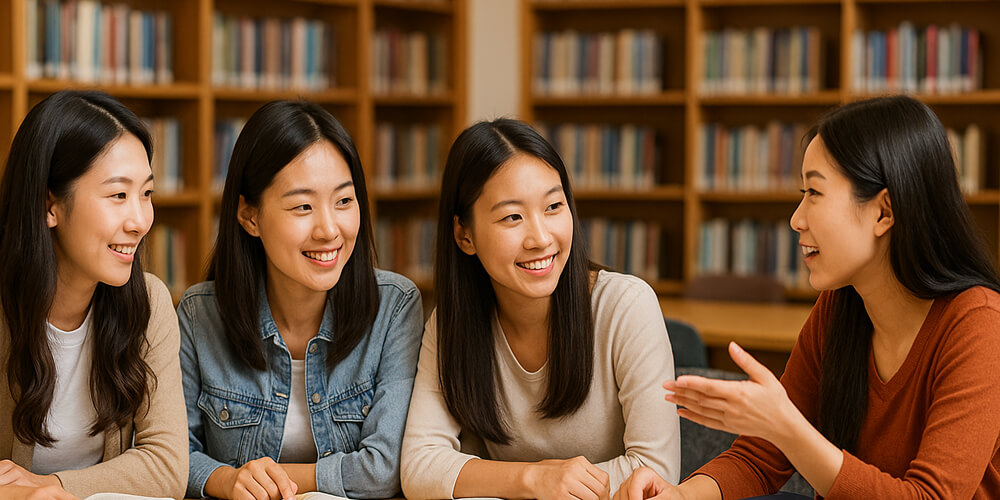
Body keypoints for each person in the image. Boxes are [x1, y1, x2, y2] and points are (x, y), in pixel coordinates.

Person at [615, 95, 1000, 500]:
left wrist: (787, 428)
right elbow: (759, 458)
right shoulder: (840, 306)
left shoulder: (979, 324)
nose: (796, 219)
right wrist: (680, 496)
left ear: (883, 212)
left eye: (814, 192)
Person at [401, 118, 680, 500]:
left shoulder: (626, 307)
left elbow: (656, 471)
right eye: (512, 217)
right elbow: (420, 465)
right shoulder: (452, 324)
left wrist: (530, 483)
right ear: (465, 235)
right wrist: (534, 479)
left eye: (553, 206)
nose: (541, 238)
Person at [179, 100, 423, 500]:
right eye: (303, 206)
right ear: (250, 216)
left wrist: (266, 480)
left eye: (344, 201)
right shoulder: (198, 315)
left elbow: (384, 470)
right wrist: (228, 481)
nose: (329, 230)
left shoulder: (394, 308)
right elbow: (172, 456)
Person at [0, 90, 188, 500]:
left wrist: (50, 487)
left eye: (146, 194)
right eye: (118, 195)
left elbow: (167, 466)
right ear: (50, 204)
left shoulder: (149, 303)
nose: (140, 221)